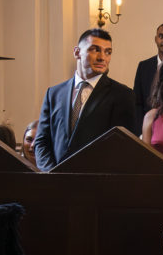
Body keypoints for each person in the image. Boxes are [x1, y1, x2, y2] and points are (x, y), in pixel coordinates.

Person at [34, 28, 136, 171]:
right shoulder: (54, 93)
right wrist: (51, 174)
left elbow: (123, 148)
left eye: (108, 52)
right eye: (95, 50)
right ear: (77, 52)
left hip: (96, 185)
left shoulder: (122, 95)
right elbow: (41, 142)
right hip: (55, 184)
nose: (102, 57)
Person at [134, 23, 163, 134]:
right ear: (156, 39)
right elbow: (137, 103)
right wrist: (140, 131)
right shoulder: (143, 66)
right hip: (148, 128)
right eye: (161, 36)